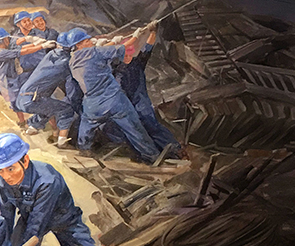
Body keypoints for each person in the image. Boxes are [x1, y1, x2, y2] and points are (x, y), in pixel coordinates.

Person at [0, 132, 99, 246]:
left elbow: (36, 224)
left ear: (25, 161)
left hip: (62, 219)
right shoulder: (3, 183)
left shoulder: (47, 180)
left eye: (10, 169)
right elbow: (6, 218)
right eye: (1, 170)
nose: (6, 176)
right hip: (29, 216)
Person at [67, 27, 161, 163]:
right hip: (114, 100)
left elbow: (98, 52)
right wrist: (135, 36)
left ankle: (84, 150)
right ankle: (151, 155)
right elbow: (123, 47)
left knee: (86, 125)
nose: (91, 41)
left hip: (92, 104)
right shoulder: (94, 52)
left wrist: (112, 42)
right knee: (134, 128)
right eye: (87, 41)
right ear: (78, 45)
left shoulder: (72, 61)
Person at [113, 21, 184, 157]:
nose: (127, 57)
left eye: (129, 54)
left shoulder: (138, 63)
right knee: (133, 131)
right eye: (125, 55)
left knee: (151, 125)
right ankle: (144, 155)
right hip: (124, 104)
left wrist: (153, 31)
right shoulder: (114, 67)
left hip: (140, 102)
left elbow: (148, 47)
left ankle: (174, 149)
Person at [16, 29, 85, 146]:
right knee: (66, 109)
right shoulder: (66, 62)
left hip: (23, 97)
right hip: (33, 99)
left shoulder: (51, 55)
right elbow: (73, 83)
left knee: (48, 108)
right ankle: (62, 142)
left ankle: (32, 129)